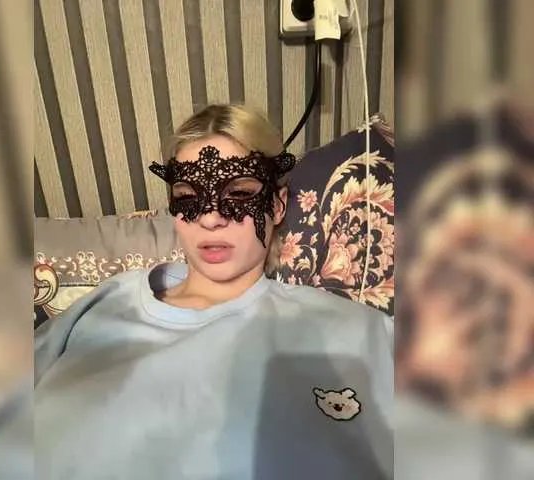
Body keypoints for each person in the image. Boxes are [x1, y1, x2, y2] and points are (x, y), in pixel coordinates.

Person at [34, 104, 393, 479]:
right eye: (188, 196)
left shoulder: (350, 330)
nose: (210, 218)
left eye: (238, 193)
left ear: (277, 204)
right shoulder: (106, 302)